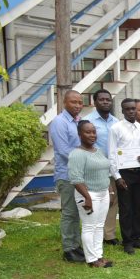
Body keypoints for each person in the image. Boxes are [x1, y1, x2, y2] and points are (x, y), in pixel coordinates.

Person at [68, 121, 114, 268]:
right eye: (88, 132)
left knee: (99, 226)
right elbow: (75, 179)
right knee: (89, 226)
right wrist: (87, 197)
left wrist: (110, 190)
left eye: (94, 132)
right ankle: (91, 259)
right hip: (88, 195)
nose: (92, 135)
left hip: (103, 193)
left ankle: (99, 256)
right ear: (80, 134)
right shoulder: (77, 154)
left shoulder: (98, 150)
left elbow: (105, 172)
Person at [108, 98, 140, 255]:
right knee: (126, 208)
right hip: (124, 174)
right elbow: (112, 154)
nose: (132, 111)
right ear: (123, 111)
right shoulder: (116, 128)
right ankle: (127, 241)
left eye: (134, 109)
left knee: (139, 207)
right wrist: (117, 177)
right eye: (128, 109)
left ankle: (137, 238)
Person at [50, 90, 85, 262]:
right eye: (74, 102)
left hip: (79, 174)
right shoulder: (59, 122)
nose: (77, 105)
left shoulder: (78, 122)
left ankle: (76, 246)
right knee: (69, 212)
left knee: (77, 212)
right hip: (67, 175)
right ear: (64, 102)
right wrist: (87, 160)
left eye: (80, 102)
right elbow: (64, 151)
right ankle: (68, 250)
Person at [84, 88, 120, 246]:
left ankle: (109, 234)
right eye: (102, 99)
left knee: (112, 201)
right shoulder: (88, 121)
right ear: (94, 102)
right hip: (96, 168)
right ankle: (93, 233)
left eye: (108, 99)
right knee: (97, 201)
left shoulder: (116, 122)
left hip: (113, 167)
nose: (105, 102)